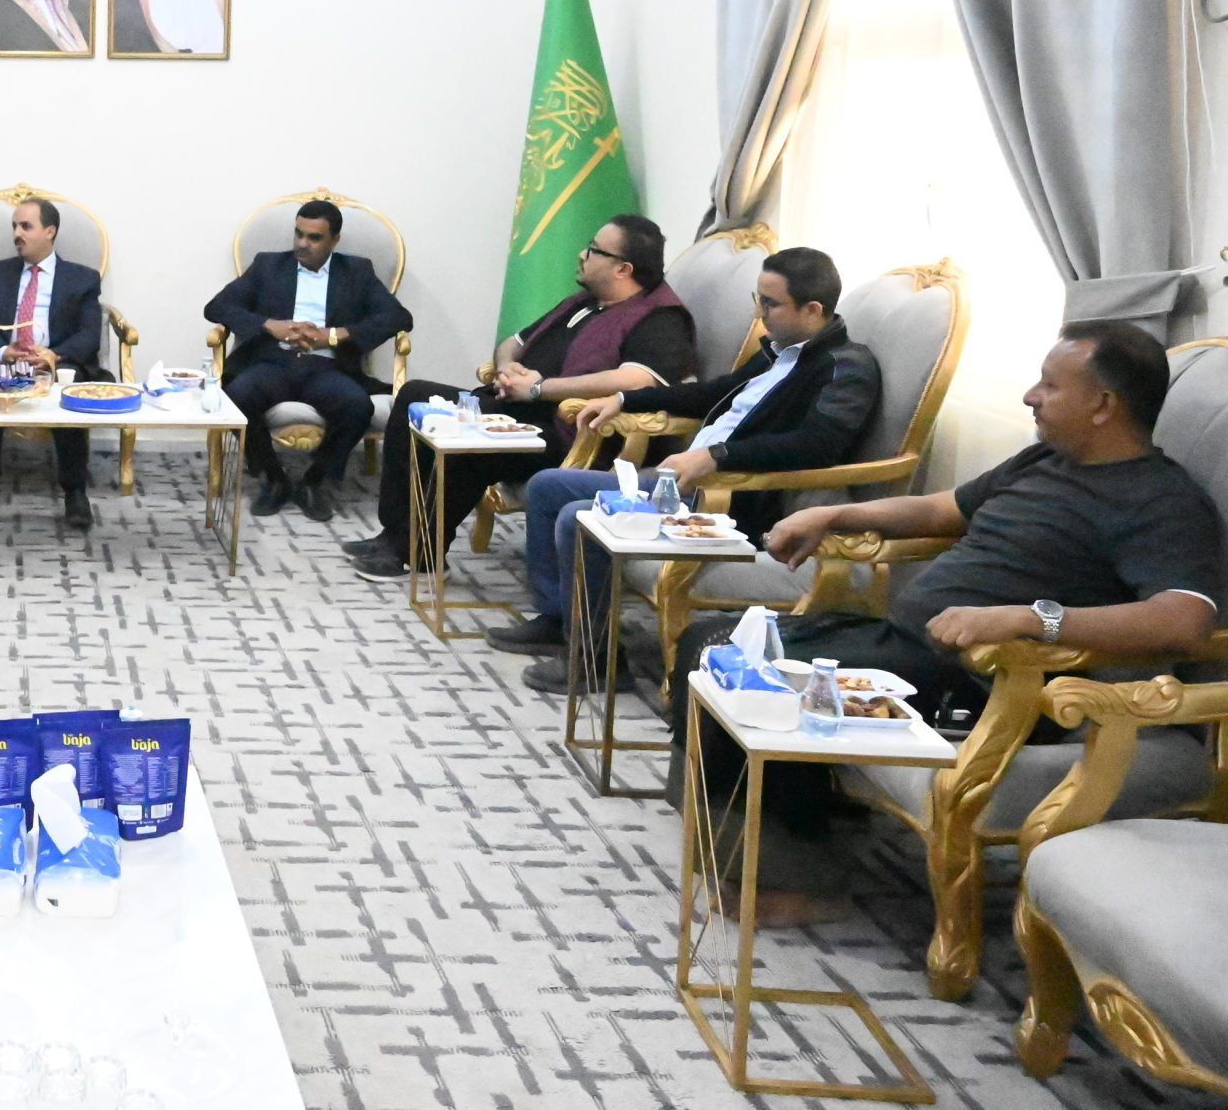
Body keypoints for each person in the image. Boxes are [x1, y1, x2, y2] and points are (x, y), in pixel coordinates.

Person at [669, 322, 1222, 927]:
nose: (1030, 396)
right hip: (907, 645)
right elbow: (943, 508)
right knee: (713, 648)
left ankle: (806, 883)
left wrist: (1031, 619)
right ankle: (753, 839)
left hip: (985, 681)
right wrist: (834, 512)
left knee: (754, 674)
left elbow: (1185, 620)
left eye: (1049, 385)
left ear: (1103, 405)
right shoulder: (1045, 459)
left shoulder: (1161, 502)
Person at [486, 247, 881, 694]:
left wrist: (717, 457)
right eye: (758, 298)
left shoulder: (846, 369)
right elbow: (710, 394)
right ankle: (560, 621)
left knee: (578, 516)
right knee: (548, 486)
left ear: (812, 310)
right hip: (687, 478)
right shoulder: (778, 351)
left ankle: (598, 662)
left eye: (769, 304)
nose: (759, 313)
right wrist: (626, 399)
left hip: (733, 498)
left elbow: (817, 445)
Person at [347, 214, 695, 580]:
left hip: (572, 433)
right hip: (518, 408)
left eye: (593, 250)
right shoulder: (585, 302)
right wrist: (508, 368)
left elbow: (637, 379)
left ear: (623, 269)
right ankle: (395, 534)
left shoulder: (660, 319)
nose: (581, 254)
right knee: (415, 399)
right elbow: (512, 343)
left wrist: (540, 388)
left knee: (475, 446)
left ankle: (419, 553)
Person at [205, 199, 413, 523]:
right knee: (236, 397)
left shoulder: (357, 272)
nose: (303, 244)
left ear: (334, 240)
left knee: (358, 406)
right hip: (274, 362)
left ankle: (315, 481)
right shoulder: (268, 265)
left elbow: (397, 316)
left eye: (314, 238)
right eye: (299, 234)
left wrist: (333, 336)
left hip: (326, 366)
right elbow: (218, 307)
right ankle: (274, 477)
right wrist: (270, 326)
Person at [0, 197, 107, 531]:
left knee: (70, 392)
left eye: (26, 226)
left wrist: (54, 355)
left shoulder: (82, 279)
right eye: (14, 226)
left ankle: (75, 492)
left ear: (49, 231)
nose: (17, 233)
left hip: (56, 361)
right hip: (11, 360)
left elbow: (89, 335)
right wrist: (2, 353)